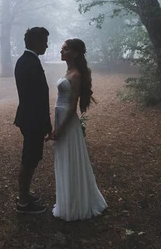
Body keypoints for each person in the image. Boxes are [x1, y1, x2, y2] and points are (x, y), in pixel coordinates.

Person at [49, 38, 107, 221]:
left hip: (67, 120)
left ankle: (77, 204)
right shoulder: (68, 71)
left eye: (65, 49)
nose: (61, 51)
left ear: (74, 53)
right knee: (64, 159)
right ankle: (67, 200)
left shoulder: (76, 75)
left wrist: (59, 129)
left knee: (71, 159)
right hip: (60, 117)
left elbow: (72, 106)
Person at [14, 27, 52, 214]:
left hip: (30, 118)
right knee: (29, 160)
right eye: (44, 41)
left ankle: (25, 194)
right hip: (32, 120)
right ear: (36, 42)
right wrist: (45, 123)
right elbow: (36, 99)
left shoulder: (27, 60)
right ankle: (23, 202)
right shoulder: (28, 63)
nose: (46, 45)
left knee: (31, 158)